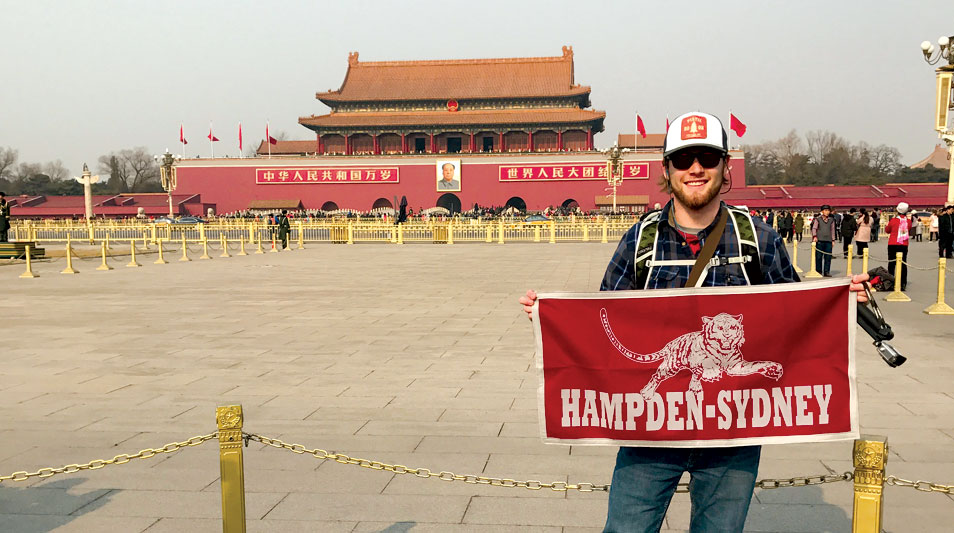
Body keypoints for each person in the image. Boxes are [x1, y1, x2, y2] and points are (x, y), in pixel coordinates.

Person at [519, 112, 868, 533]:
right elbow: (603, 319)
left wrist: (837, 299)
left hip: (731, 432)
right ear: (667, 170)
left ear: (725, 169)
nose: (696, 169)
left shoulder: (757, 239)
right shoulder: (640, 239)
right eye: (683, 160)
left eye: (706, 157)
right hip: (651, 433)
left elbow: (796, 316)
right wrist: (552, 316)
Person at [885, 202, 912, 291]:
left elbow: (887, 230)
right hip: (903, 244)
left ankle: (891, 282)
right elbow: (909, 229)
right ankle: (903, 283)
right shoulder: (908, 221)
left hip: (892, 243)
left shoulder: (893, 220)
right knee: (903, 264)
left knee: (891, 264)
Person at [811, 204, 836, 277]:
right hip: (820, 240)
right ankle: (818, 271)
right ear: (822, 211)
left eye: (828, 210)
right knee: (818, 257)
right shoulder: (818, 219)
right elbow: (814, 228)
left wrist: (833, 240)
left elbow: (832, 230)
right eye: (825, 210)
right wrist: (814, 236)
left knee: (828, 257)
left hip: (828, 241)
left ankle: (826, 271)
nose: (827, 212)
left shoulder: (831, 220)